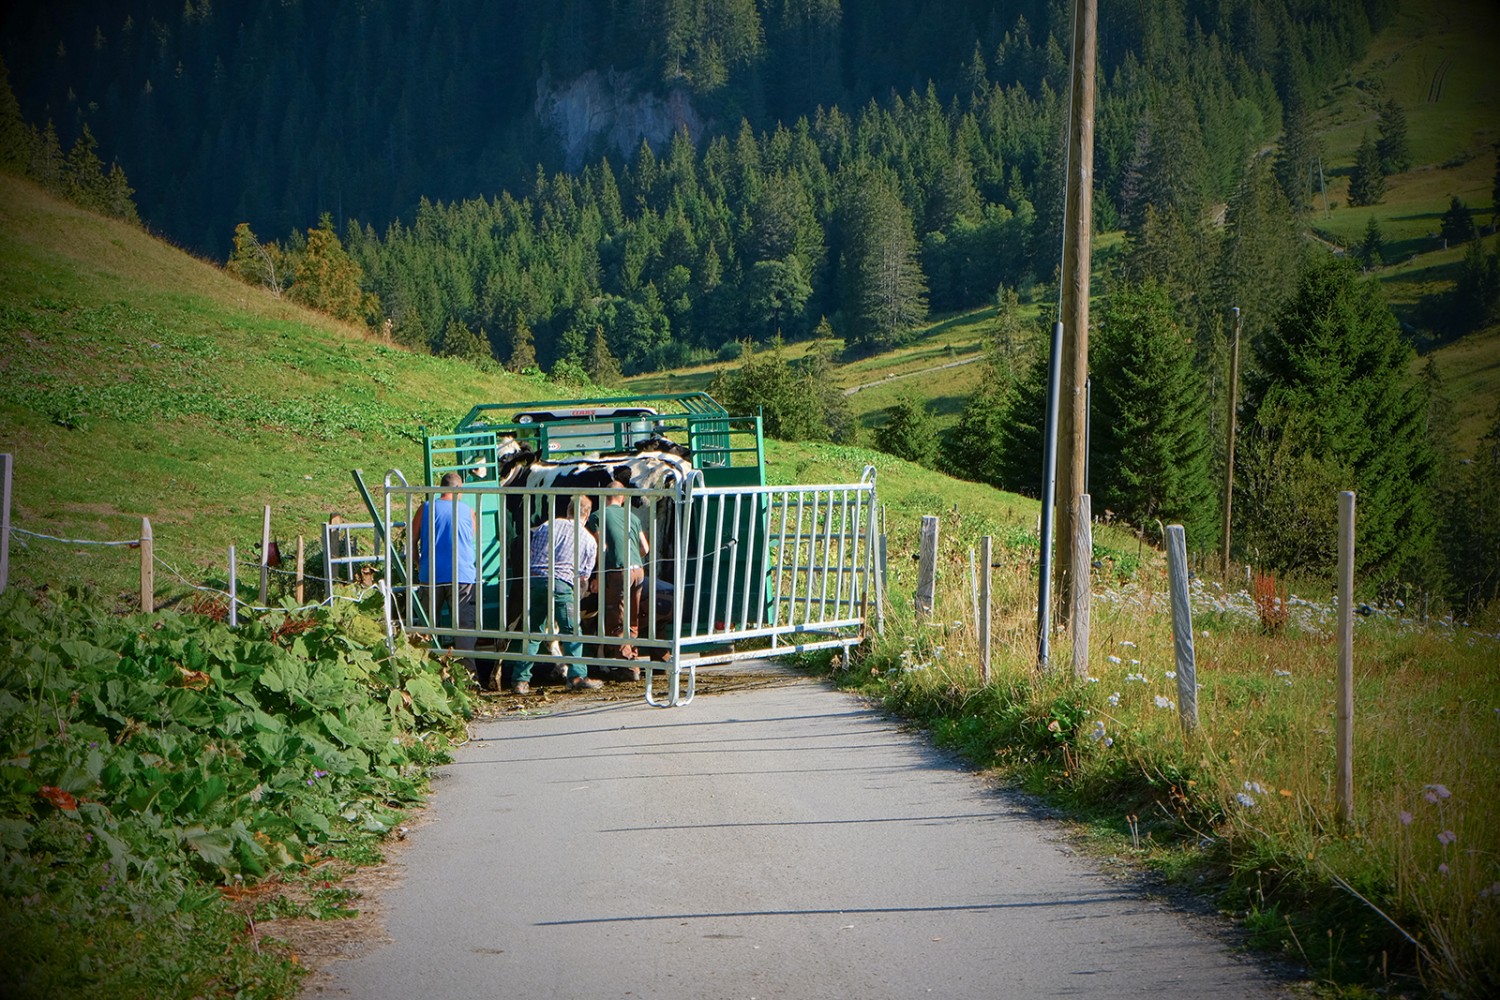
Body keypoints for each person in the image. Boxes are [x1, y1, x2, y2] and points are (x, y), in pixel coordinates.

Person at [505, 495, 602, 695]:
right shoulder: (588, 539)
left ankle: (520, 681)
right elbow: (584, 576)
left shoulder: (546, 526)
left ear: (568, 509)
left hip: (536, 581)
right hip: (561, 586)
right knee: (572, 632)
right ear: (587, 514)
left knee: (532, 632)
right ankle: (577, 676)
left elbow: (531, 552)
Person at [411, 471, 483, 686]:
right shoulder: (468, 511)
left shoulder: (424, 509)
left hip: (431, 576)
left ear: (441, 488)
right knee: (463, 629)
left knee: (428, 627)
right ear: (459, 489)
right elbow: (469, 538)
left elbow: (412, 539)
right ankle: (467, 678)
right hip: (462, 576)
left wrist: (417, 563)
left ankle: (425, 675)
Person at [586, 481, 650, 670]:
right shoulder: (633, 517)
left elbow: (599, 548)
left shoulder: (598, 516)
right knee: (633, 616)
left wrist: (597, 576)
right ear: (623, 498)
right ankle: (634, 657)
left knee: (617, 616)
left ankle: (625, 664)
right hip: (638, 570)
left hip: (617, 570)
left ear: (606, 497)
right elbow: (645, 548)